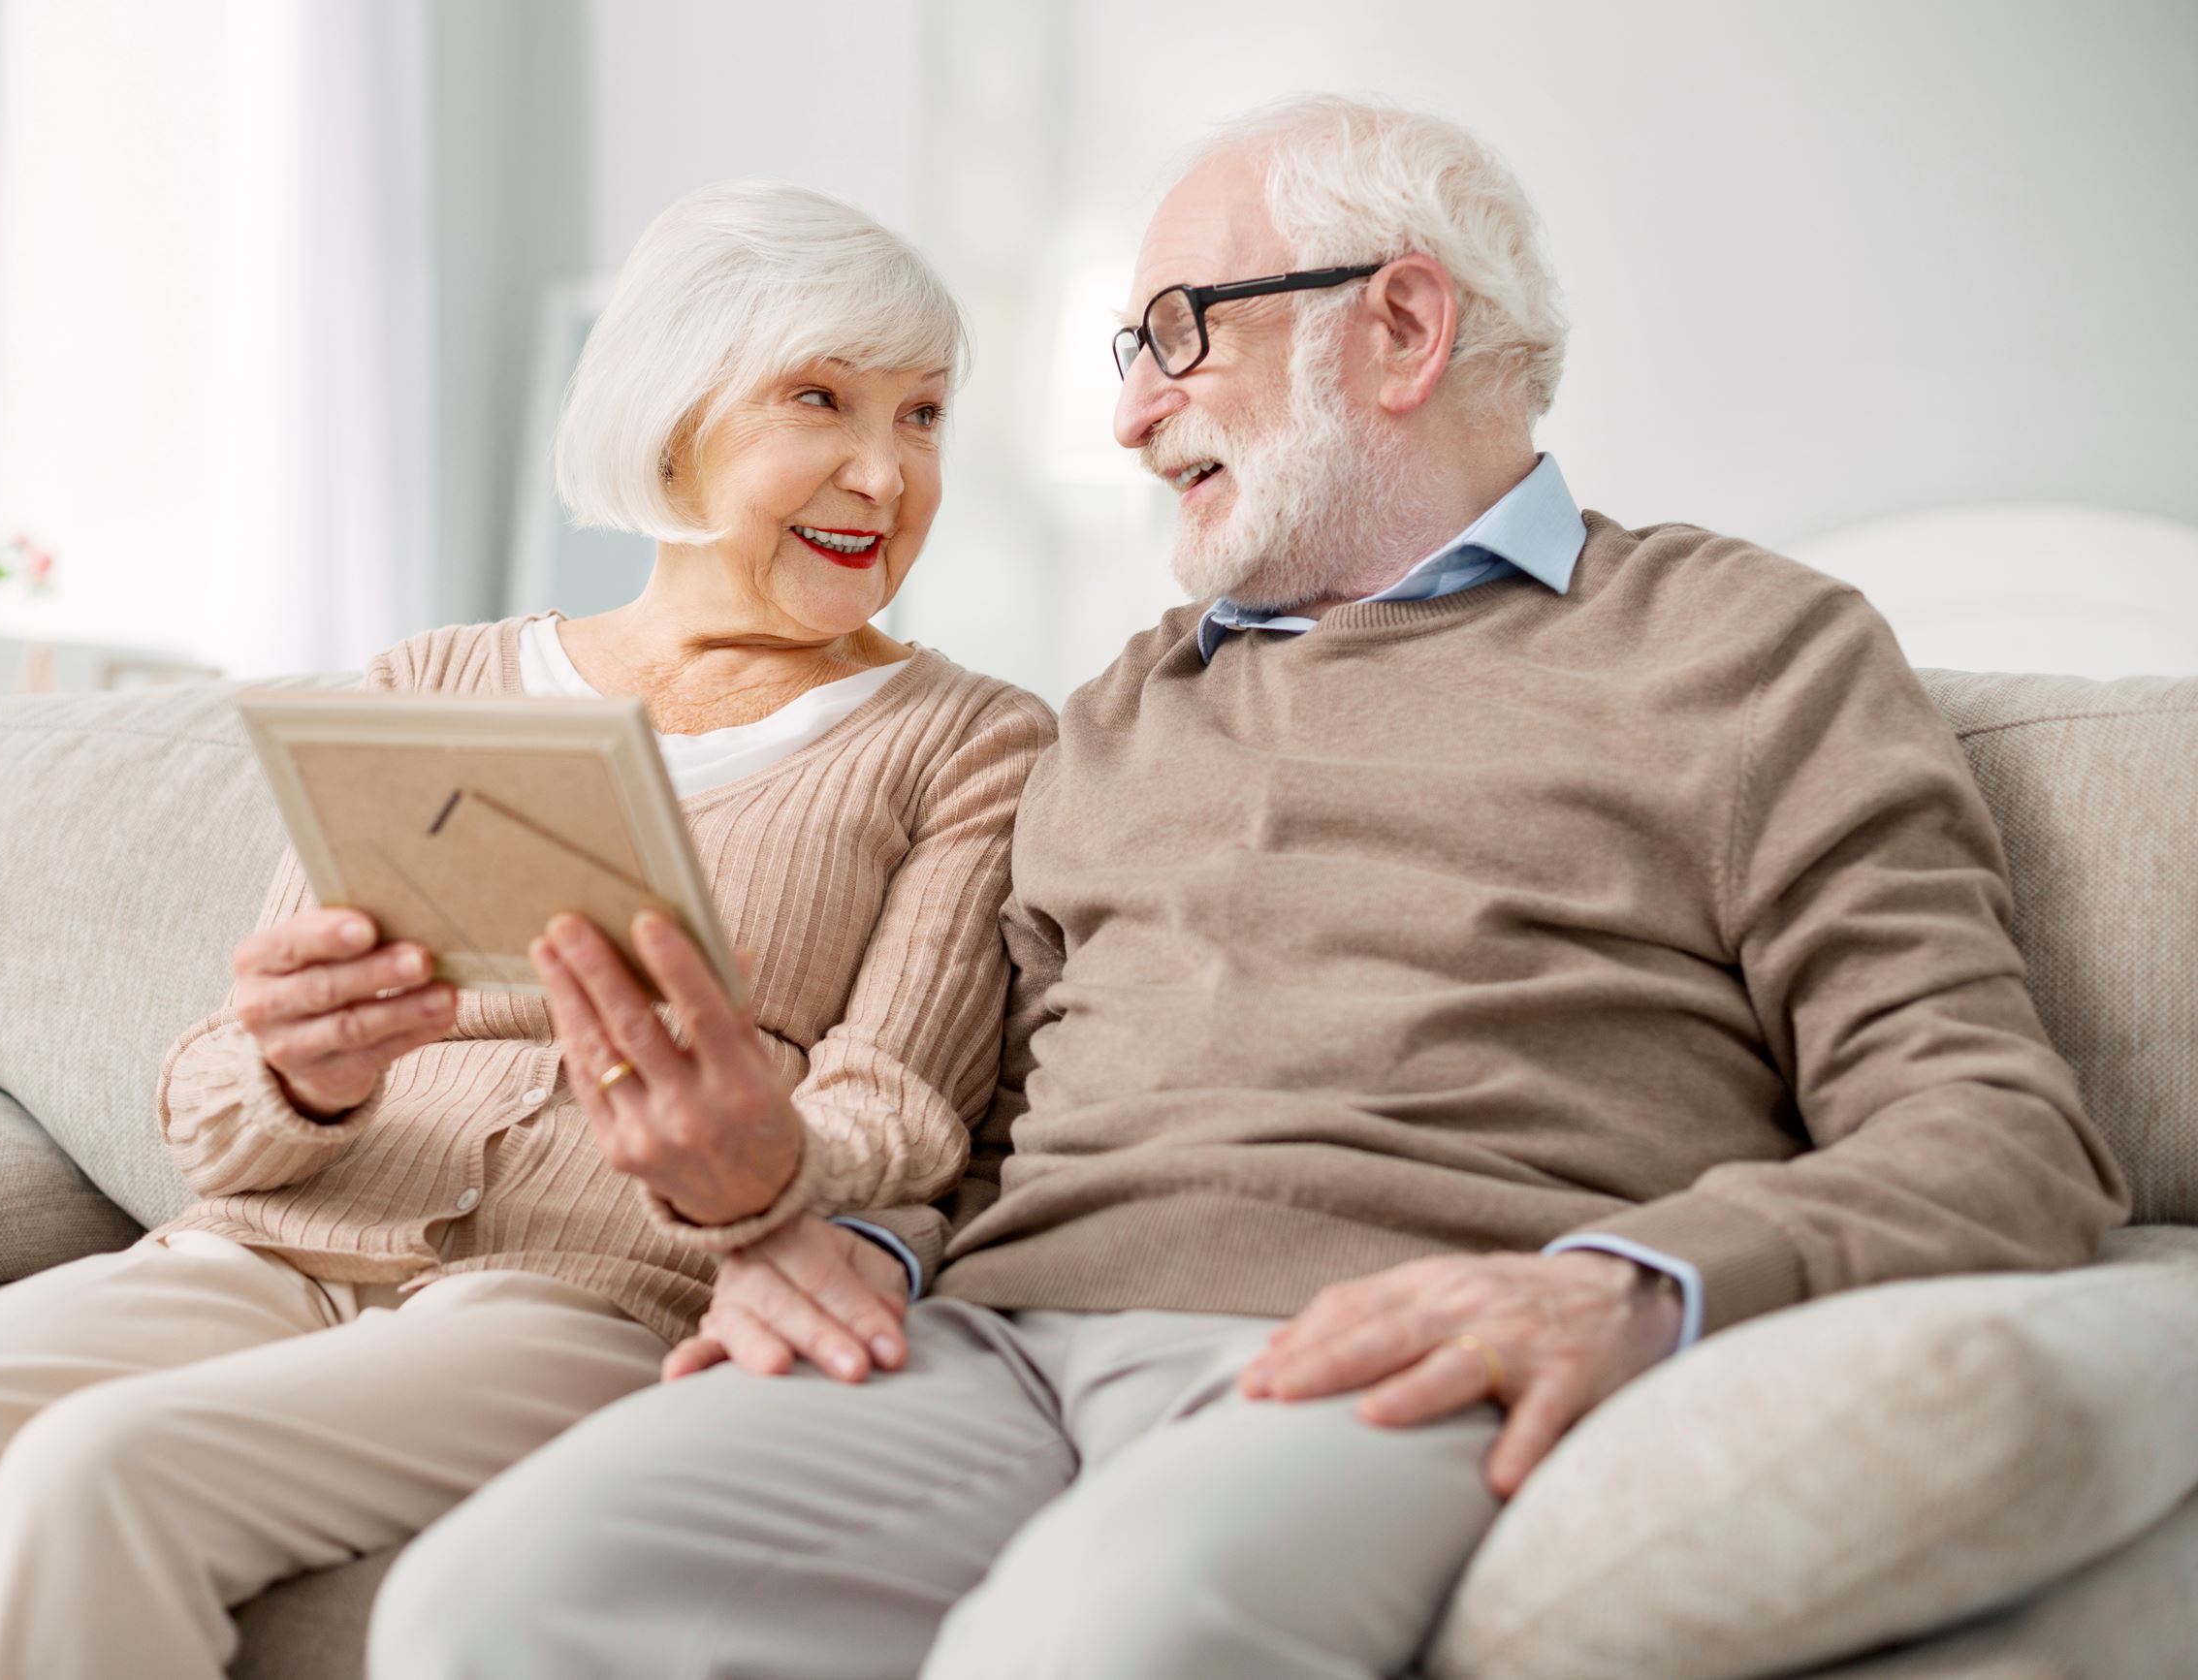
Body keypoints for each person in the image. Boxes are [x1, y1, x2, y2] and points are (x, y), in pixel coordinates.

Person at [367, 96, 2127, 1680]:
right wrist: (861, 1246)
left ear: (1405, 327)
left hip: (1375, 1340)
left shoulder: (1745, 649)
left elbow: (1996, 1134)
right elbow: (981, 1130)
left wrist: (1623, 1281)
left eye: (1179, 335)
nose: (1132, 414)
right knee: (484, 1606)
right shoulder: (1124, 703)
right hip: (990, 1347)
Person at [0, 179, 1054, 1680]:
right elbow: (217, 1099)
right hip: (262, 1243)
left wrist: (762, 1149)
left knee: (101, 1478)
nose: (883, 468)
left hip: (589, 1286)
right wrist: (299, 1072)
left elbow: (905, 1111)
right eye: (822, 398)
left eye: (922, 416)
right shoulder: (436, 678)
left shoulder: (965, 738)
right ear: (675, 416)